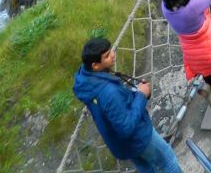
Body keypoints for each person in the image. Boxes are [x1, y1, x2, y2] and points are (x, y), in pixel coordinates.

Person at [73, 37, 183, 173]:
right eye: (107, 56)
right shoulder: (109, 92)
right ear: (95, 65)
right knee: (167, 160)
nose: (113, 55)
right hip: (139, 138)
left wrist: (134, 94)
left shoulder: (85, 81)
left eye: (110, 50)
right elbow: (126, 127)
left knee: (147, 168)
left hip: (122, 145)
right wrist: (141, 95)